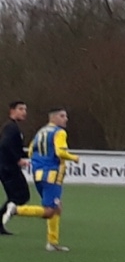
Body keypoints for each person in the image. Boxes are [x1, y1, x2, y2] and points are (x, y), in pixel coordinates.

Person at [2, 108, 79, 251]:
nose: (66, 119)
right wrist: (74, 158)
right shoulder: (59, 132)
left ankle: (52, 243)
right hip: (52, 176)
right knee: (50, 210)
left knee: (56, 208)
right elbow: (60, 152)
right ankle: (16, 209)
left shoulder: (41, 132)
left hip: (39, 175)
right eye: (62, 116)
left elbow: (31, 150)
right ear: (53, 118)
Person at [0, 101, 30, 235]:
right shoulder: (11, 128)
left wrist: (31, 154)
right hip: (8, 168)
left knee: (17, 196)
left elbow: (15, 148)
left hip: (8, 167)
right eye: (21, 109)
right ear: (12, 111)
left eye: (25, 109)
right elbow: (5, 145)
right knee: (21, 196)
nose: (24, 112)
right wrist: (18, 159)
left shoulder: (13, 127)